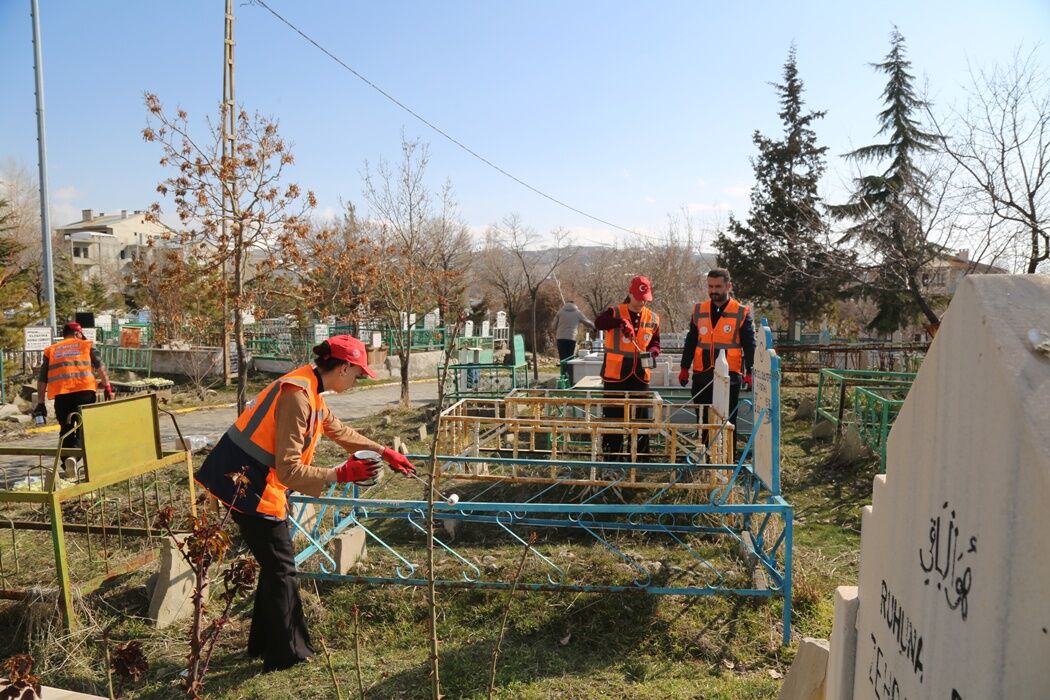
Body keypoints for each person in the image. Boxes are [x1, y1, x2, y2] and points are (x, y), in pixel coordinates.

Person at [194, 335, 417, 672]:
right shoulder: (297, 396)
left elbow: (339, 430)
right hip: (246, 485)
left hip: (251, 481)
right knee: (282, 569)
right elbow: (289, 469)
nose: (357, 381)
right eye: (357, 374)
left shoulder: (310, 388)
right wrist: (341, 474)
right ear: (343, 367)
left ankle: (263, 645)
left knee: (275, 567)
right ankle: (287, 655)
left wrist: (385, 452)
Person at [593, 276, 661, 460]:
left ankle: (641, 456)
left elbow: (655, 342)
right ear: (630, 293)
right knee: (614, 417)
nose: (642, 302)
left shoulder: (653, 318)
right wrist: (620, 322)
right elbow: (599, 323)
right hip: (615, 375)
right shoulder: (614, 312)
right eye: (639, 297)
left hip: (640, 375)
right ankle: (611, 456)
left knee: (642, 417)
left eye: (645, 298)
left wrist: (653, 353)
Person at [678, 268, 756, 425]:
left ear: (729, 286)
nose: (713, 291)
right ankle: (706, 450)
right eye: (710, 287)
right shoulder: (699, 310)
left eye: (718, 287)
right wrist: (684, 368)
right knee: (703, 422)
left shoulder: (741, 312)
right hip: (702, 375)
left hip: (730, 377)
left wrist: (750, 371)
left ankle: (728, 450)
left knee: (727, 424)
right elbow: (691, 341)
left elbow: (750, 345)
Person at [35, 322, 114, 452]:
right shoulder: (87, 345)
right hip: (85, 394)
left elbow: (42, 379)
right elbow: (101, 368)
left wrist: (40, 403)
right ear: (77, 333)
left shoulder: (51, 350)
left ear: (63, 334)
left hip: (62, 395)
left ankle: (69, 459)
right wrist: (108, 388)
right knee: (85, 427)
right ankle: (81, 459)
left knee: (66, 430)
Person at [553, 300, 595, 379]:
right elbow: (587, 322)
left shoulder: (560, 312)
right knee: (570, 358)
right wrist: (594, 327)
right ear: (574, 305)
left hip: (560, 338)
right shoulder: (577, 313)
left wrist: (557, 329)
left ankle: (563, 376)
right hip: (571, 338)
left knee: (563, 358)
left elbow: (553, 325)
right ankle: (570, 377)